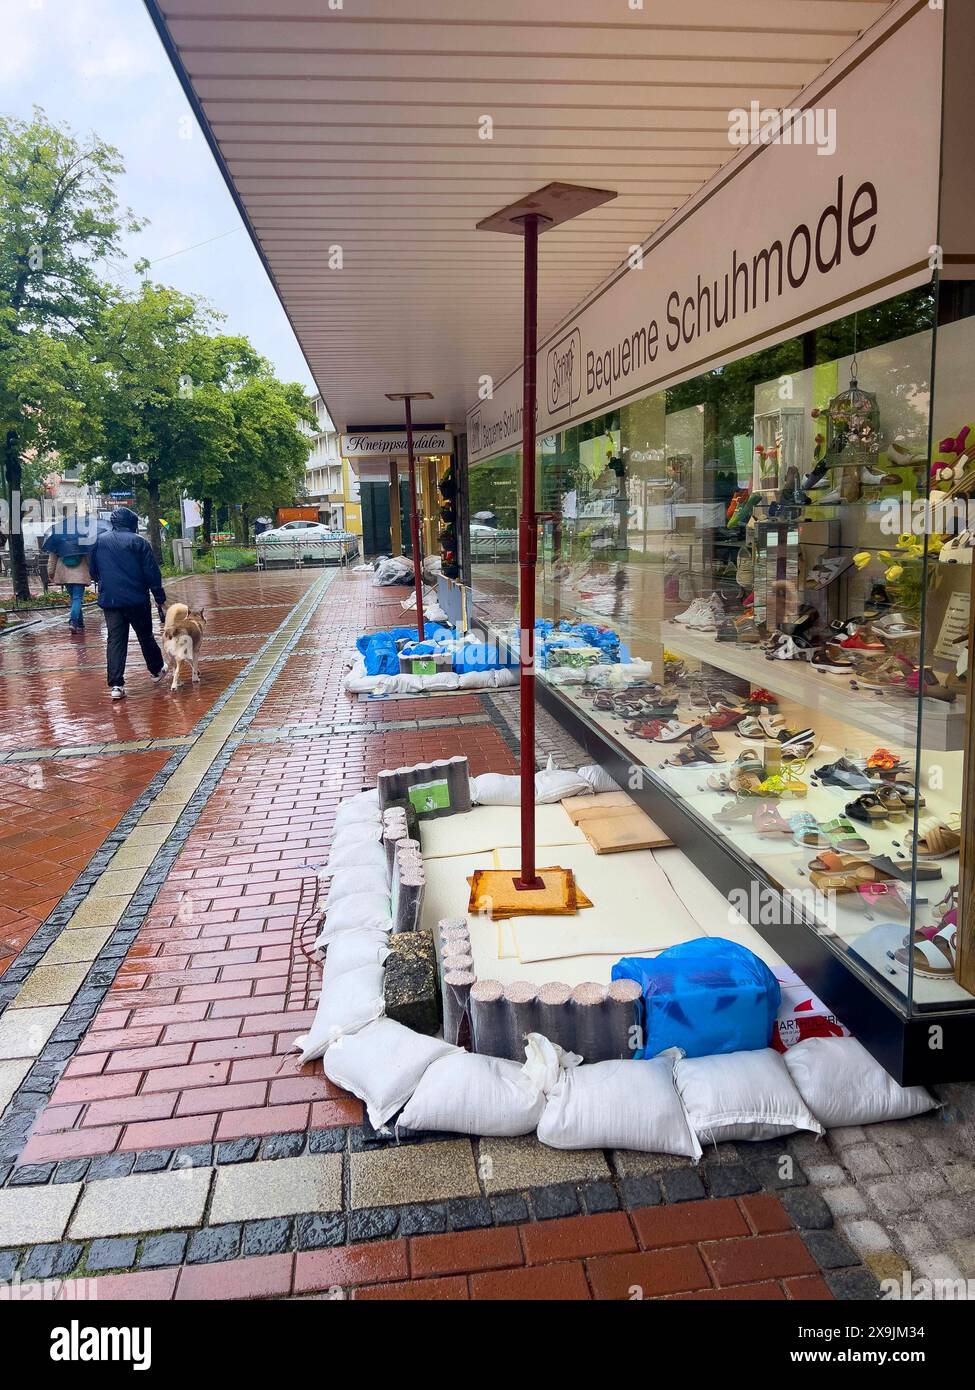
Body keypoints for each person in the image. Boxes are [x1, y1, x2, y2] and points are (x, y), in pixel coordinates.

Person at [89, 507, 167, 701]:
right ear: (131, 523)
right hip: (136, 599)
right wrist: (159, 596)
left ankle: (116, 685)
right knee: (145, 636)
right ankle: (156, 670)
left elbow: (93, 571)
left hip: (110, 600)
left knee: (115, 640)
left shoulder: (99, 541)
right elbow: (151, 573)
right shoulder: (139, 542)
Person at [42, 510, 100, 632]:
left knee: (74, 598)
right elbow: (89, 558)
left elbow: (52, 559)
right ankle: (73, 621)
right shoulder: (84, 537)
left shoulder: (58, 537)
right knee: (77, 598)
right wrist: (93, 570)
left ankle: (80, 622)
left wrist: (51, 573)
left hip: (64, 574)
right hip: (80, 573)